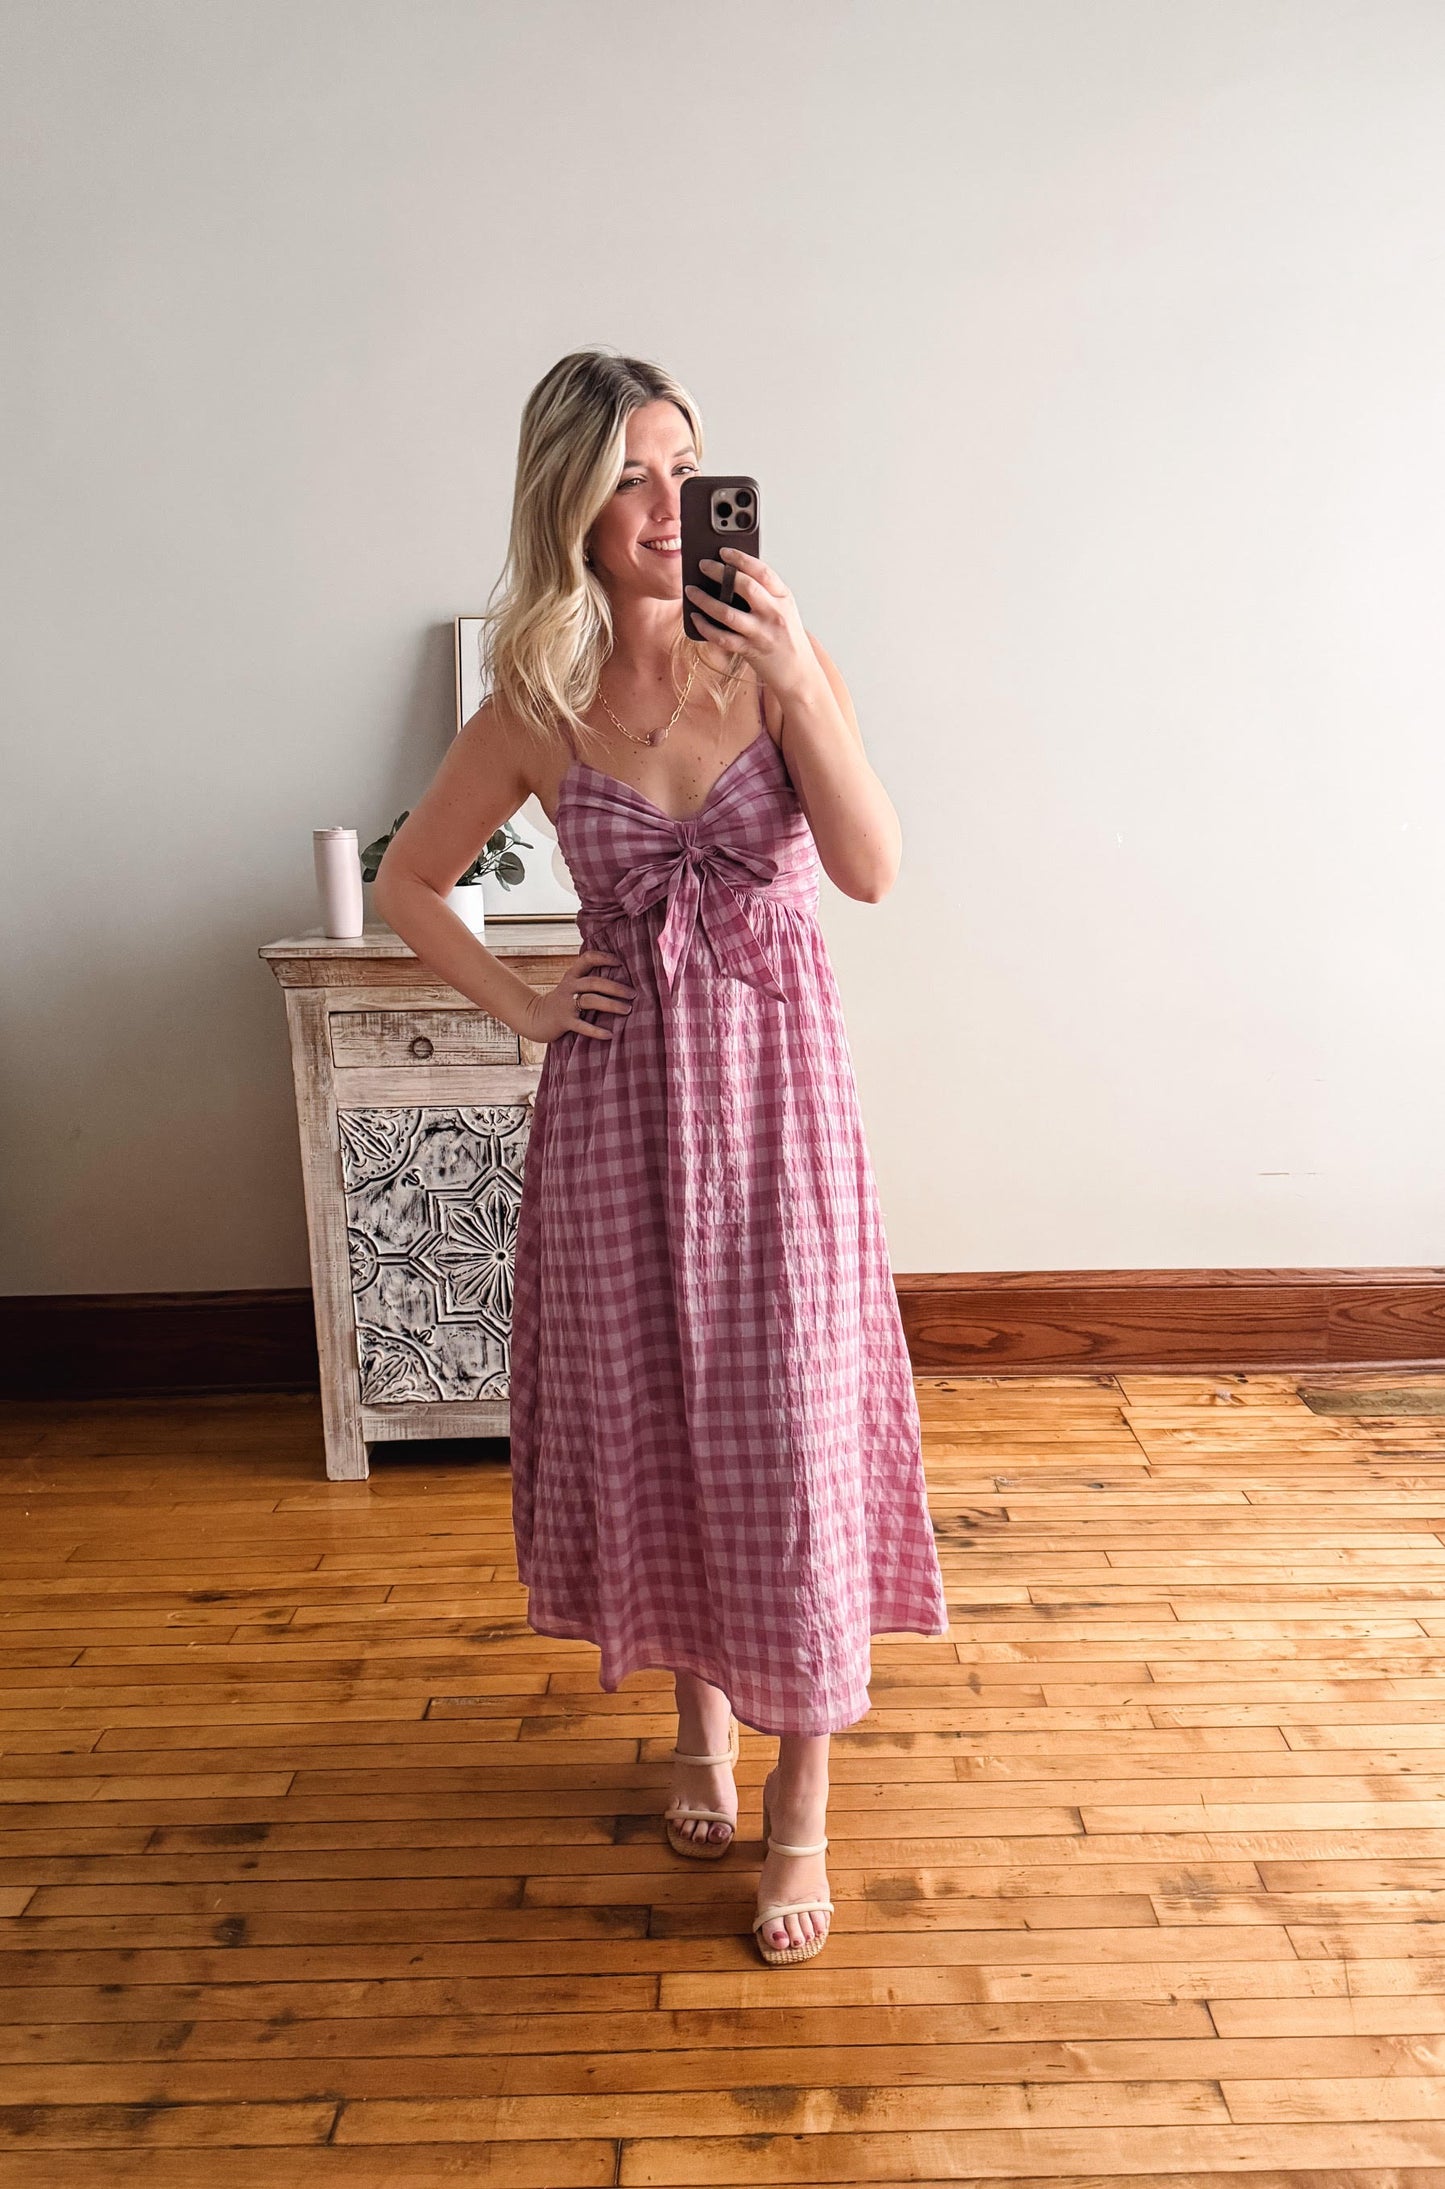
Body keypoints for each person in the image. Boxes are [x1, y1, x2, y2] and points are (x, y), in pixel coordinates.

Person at [374, 348, 948, 1967]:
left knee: (788, 1431)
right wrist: (525, 998)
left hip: (776, 1117)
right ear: (566, 501)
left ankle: (802, 1806)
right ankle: (697, 1725)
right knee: (666, 1422)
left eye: (684, 466)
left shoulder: (776, 664)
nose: (665, 502)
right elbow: (418, 883)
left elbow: (872, 867)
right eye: (630, 473)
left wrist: (804, 680)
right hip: (620, 1112)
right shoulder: (538, 703)